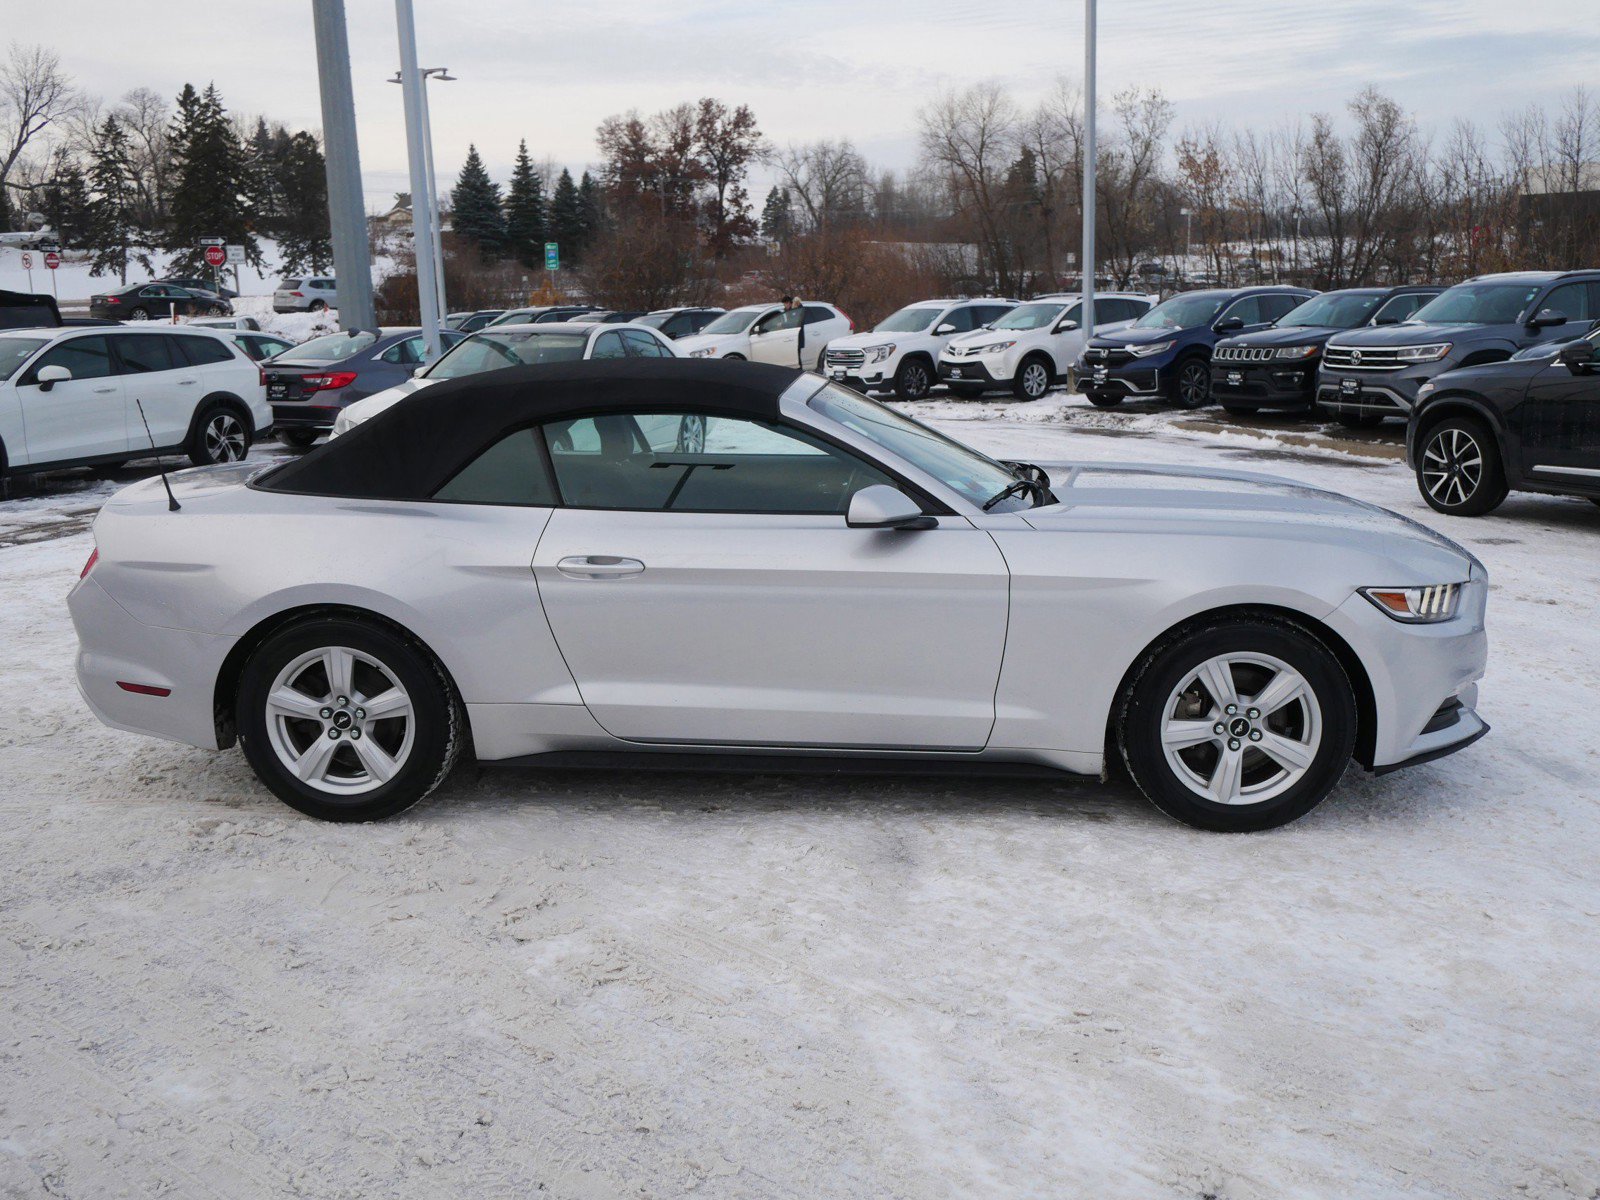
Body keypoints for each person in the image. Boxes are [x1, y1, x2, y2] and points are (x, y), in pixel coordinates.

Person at [780, 294, 805, 368]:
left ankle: (799, 371)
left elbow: (794, 323)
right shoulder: (786, 311)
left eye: (785, 304)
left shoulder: (796, 309)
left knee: (797, 357)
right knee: (792, 357)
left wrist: (782, 325)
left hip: (796, 336)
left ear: (789, 303)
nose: (784, 306)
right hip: (789, 337)